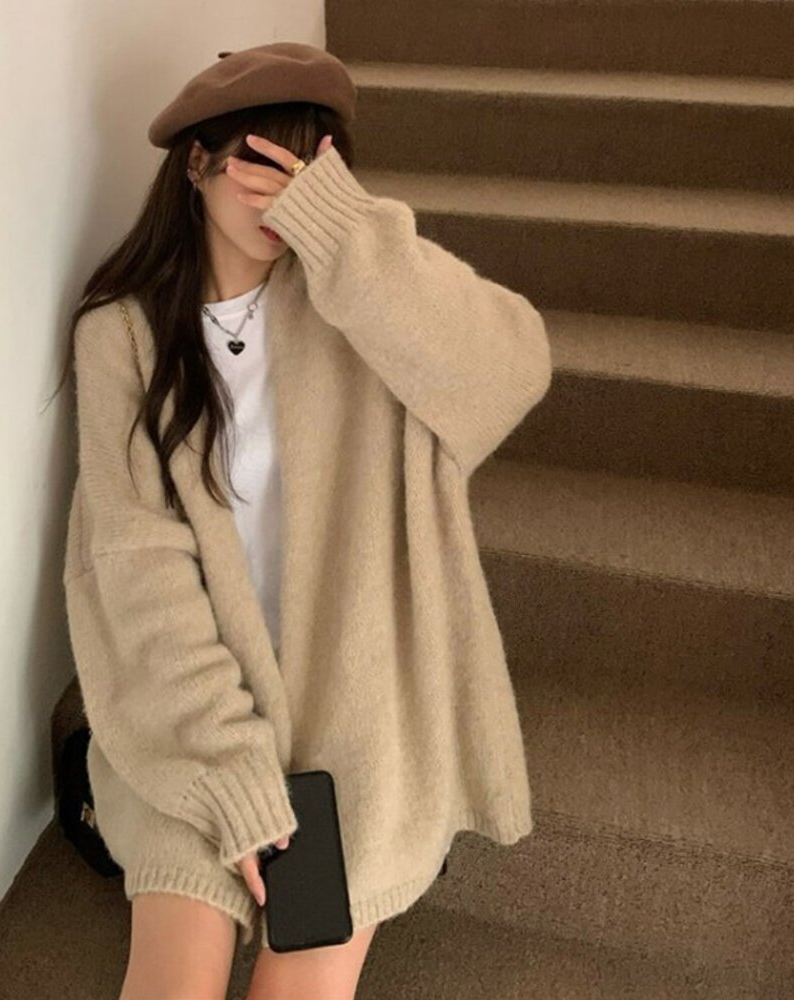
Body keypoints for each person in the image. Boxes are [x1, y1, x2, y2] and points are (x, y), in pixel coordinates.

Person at [49, 41, 553, 1000]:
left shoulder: (363, 302)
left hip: (360, 709)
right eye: (259, 163)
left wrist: (345, 232)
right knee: (176, 976)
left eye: (311, 167)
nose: (281, 196)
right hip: (189, 713)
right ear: (196, 164)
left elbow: (510, 370)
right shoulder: (123, 333)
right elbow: (136, 564)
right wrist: (228, 768)